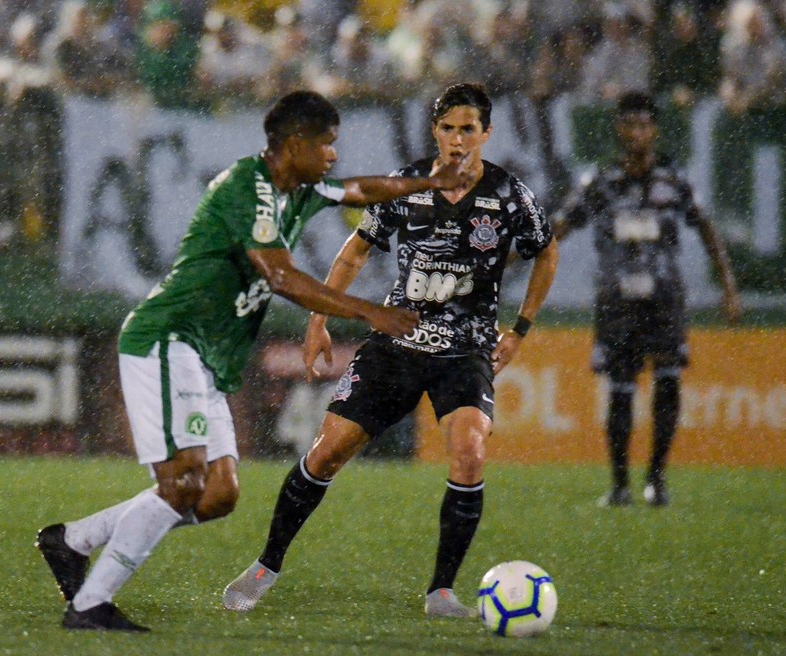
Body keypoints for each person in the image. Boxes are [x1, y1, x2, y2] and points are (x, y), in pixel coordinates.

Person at [35, 90, 470, 632]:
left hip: (206, 356)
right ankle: (90, 604)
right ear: (294, 145)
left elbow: (361, 188)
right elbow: (280, 276)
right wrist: (366, 313)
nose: (333, 156)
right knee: (184, 483)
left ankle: (72, 540)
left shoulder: (299, 189)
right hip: (170, 339)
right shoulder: (249, 187)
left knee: (216, 495)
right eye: (326, 145)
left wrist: (430, 182)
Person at [222, 83, 559, 618]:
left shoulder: (510, 194)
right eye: (447, 128)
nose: (456, 139)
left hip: (465, 352)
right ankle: (266, 565)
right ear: (435, 132)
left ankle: (441, 592)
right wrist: (319, 321)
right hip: (397, 344)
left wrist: (518, 328)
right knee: (327, 453)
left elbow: (545, 253)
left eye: (467, 129)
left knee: (470, 452)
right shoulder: (407, 185)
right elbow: (354, 252)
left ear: (486, 133)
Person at [552, 92, 742, 508]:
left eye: (644, 125)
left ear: (654, 130)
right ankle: (620, 484)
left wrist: (728, 287)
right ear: (619, 130)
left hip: (664, 297)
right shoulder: (600, 183)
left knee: (668, 378)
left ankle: (656, 478)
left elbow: (708, 232)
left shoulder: (674, 181)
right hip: (617, 299)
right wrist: (516, 258)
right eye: (629, 125)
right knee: (620, 386)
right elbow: (558, 229)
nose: (636, 133)